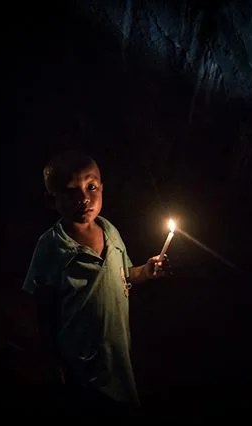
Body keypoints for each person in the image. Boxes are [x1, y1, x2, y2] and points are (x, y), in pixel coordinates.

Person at [22, 150, 168, 418]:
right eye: (71, 191)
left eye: (91, 187)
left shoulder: (110, 231)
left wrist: (145, 271)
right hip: (79, 365)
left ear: (102, 187)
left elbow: (123, 276)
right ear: (51, 200)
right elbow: (43, 311)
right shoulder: (51, 247)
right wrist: (52, 363)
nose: (84, 198)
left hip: (118, 357)